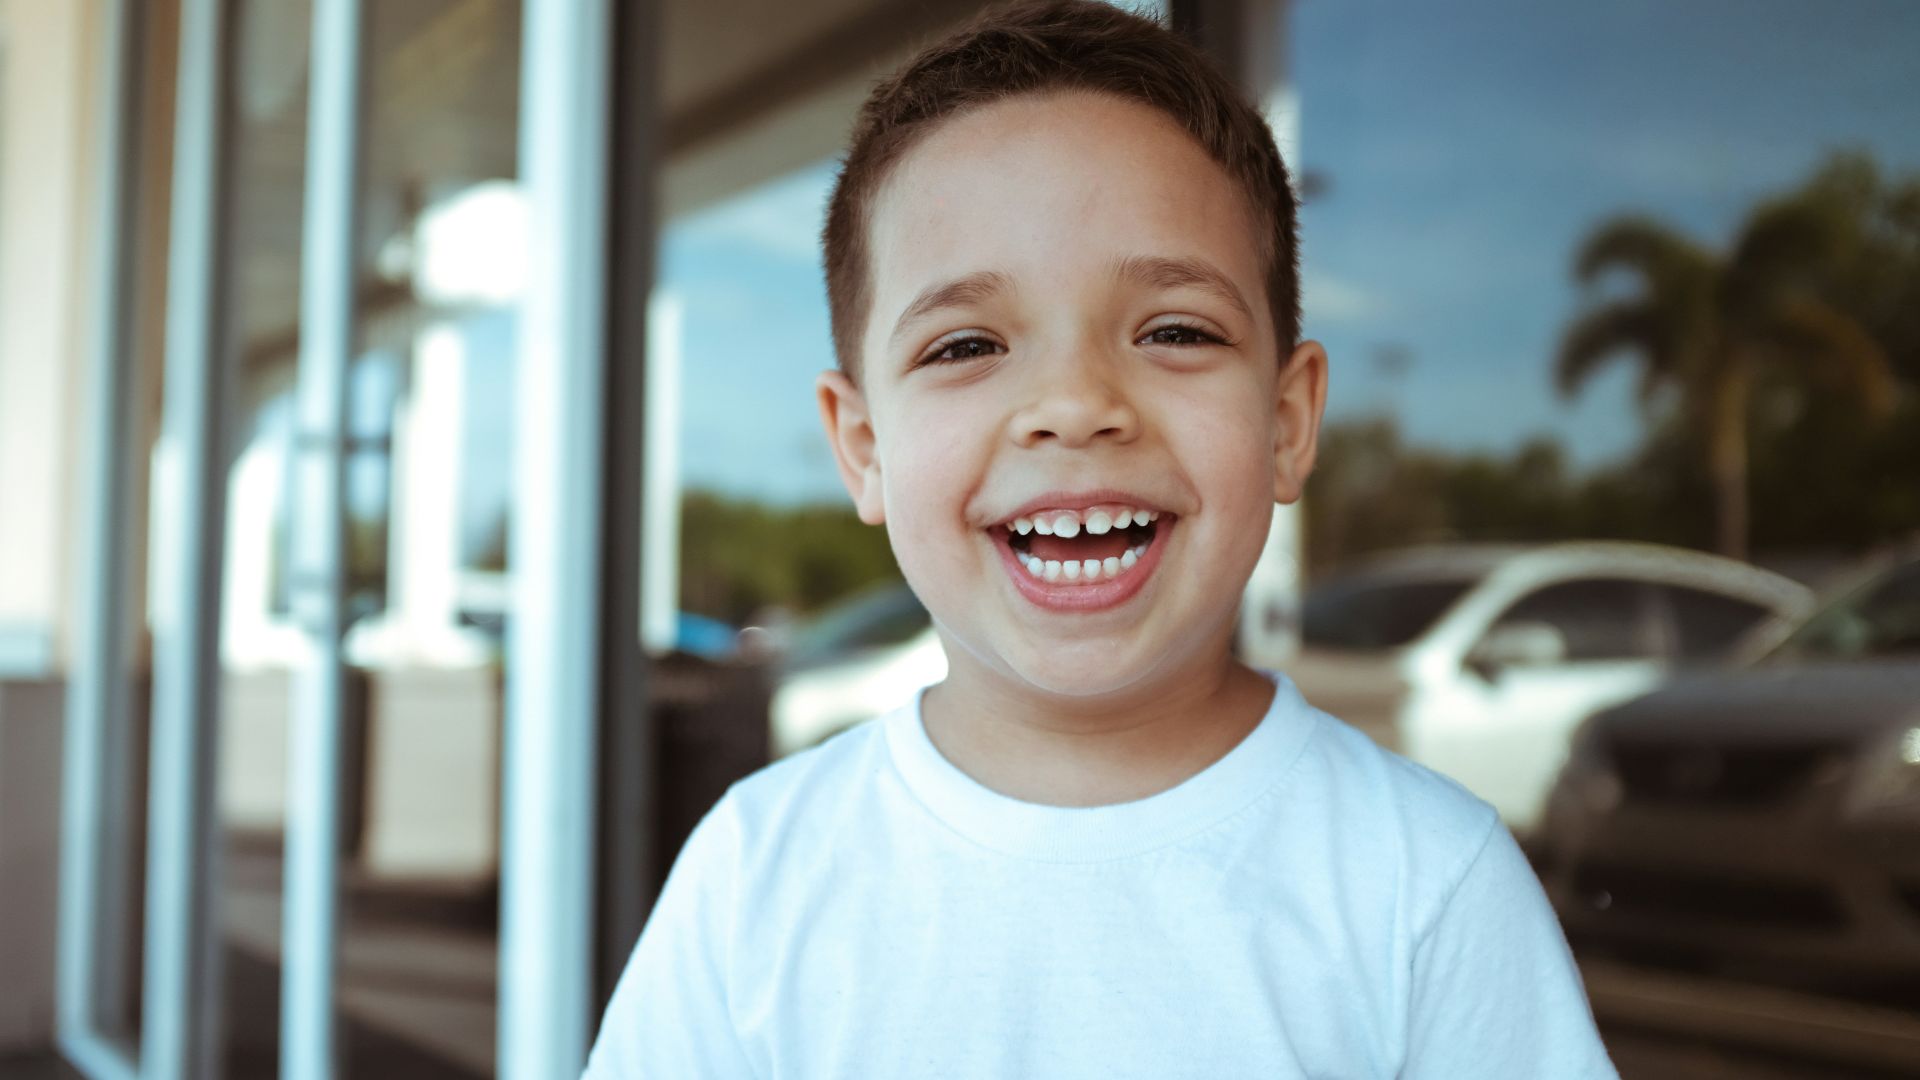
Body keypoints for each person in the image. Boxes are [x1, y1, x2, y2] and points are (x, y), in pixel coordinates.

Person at [584, 2, 1616, 1075]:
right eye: (968, 344)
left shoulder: (1424, 882)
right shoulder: (757, 874)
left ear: (1287, 422)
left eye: (1174, 330)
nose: (1074, 404)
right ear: (863, 448)